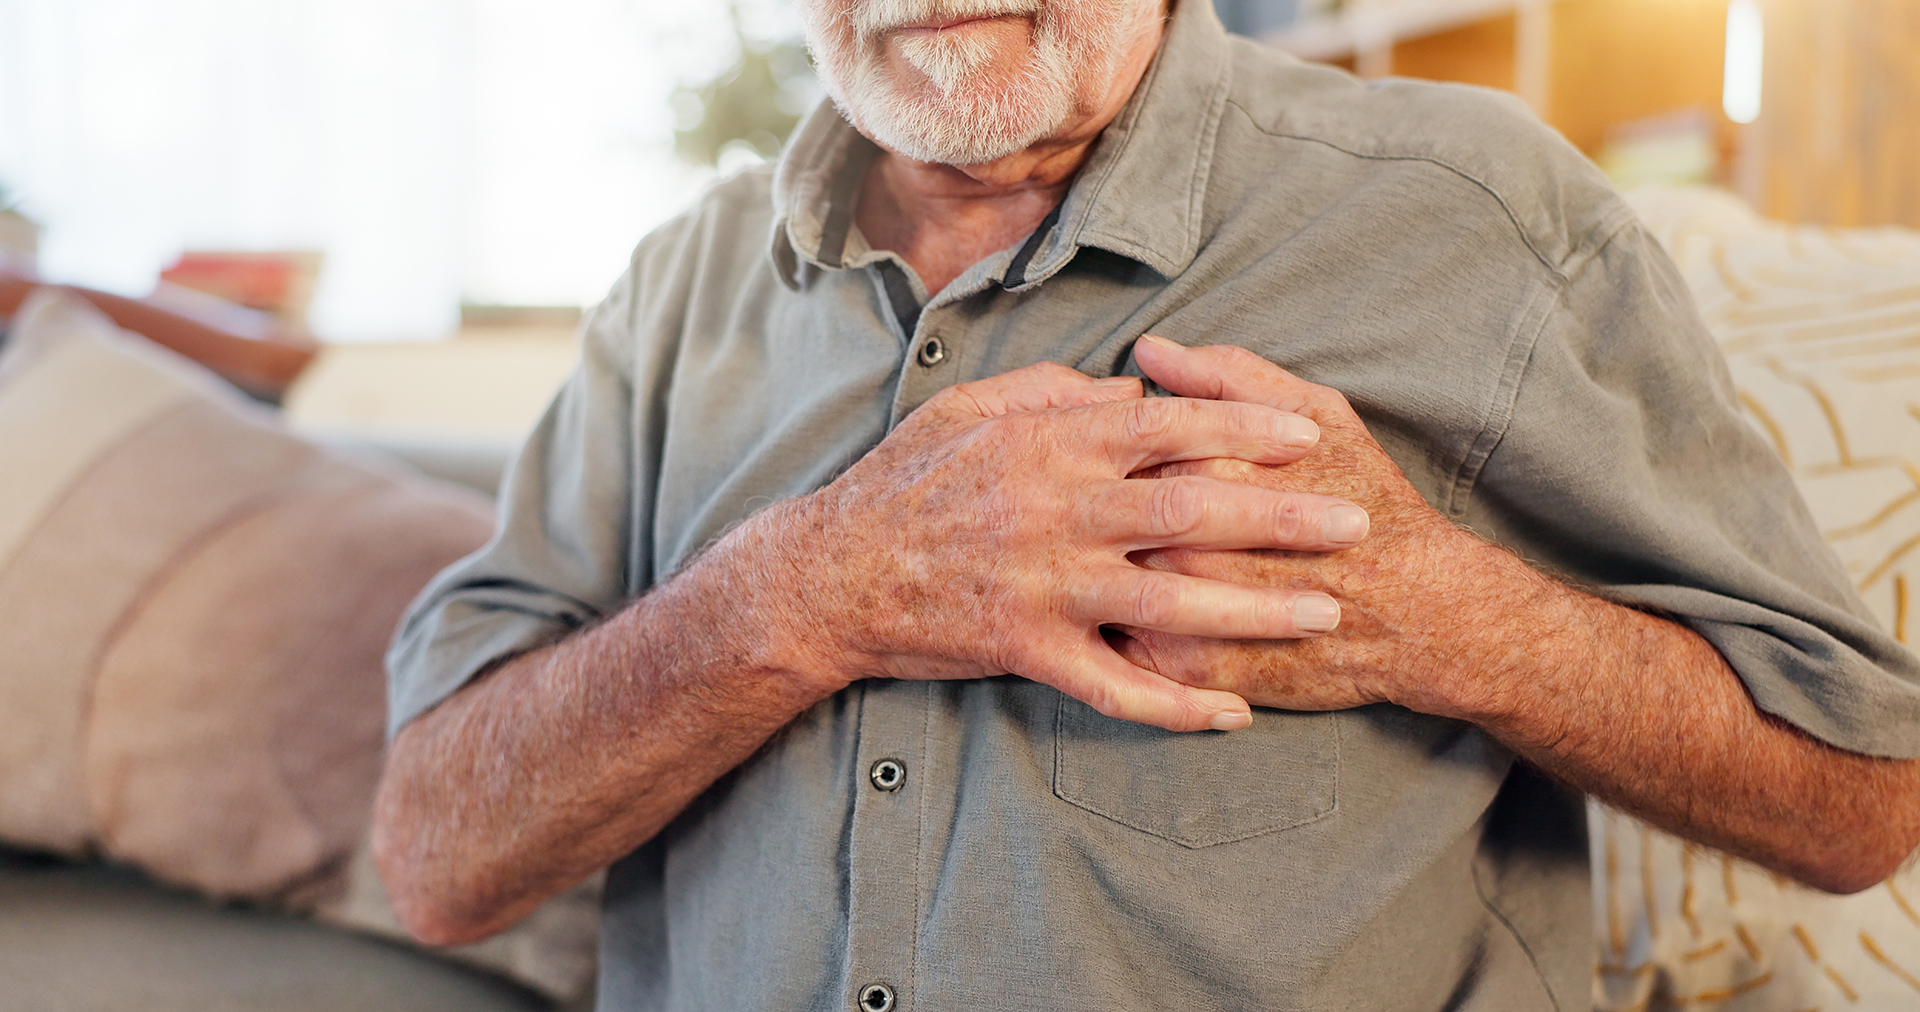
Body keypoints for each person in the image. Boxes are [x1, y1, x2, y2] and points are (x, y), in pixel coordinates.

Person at [371, 0, 1920, 1007]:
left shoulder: (1480, 215)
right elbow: (439, 857)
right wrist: (799, 593)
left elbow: (1866, 794)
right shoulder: (677, 288)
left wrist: (1439, 614)